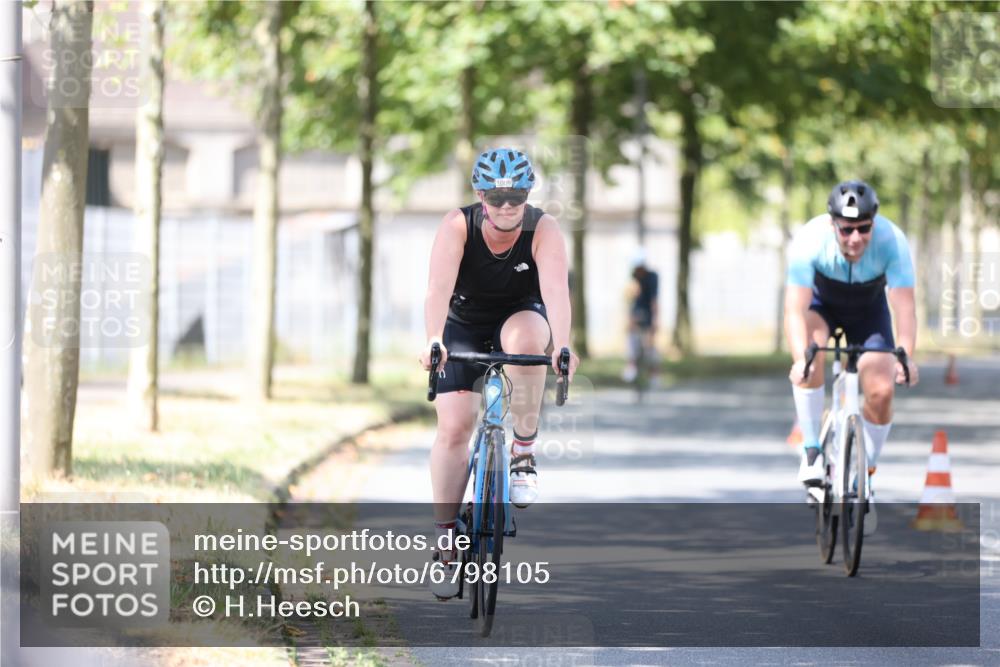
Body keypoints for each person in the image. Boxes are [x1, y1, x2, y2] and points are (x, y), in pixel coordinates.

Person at [419, 148, 579, 599]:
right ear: (479, 195)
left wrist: (563, 345)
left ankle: (523, 451)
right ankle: (446, 541)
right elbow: (437, 288)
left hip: (519, 315)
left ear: (528, 195)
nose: (507, 207)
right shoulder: (458, 226)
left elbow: (556, 291)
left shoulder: (543, 229)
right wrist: (434, 339)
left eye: (517, 198)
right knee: (454, 428)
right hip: (463, 323)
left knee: (529, 341)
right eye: (496, 198)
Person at [784, 180, 920, 532]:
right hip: (821, 306)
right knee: (811, 355)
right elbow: (795, 309)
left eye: (863, 228)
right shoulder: (810, 239)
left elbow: (904, 306)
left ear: (874, 223)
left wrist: (906, 355)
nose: (855, 238)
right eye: (846, 229)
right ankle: (812, 451)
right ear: (833, 225)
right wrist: (800, 359)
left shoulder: (892, 241)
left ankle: (865, 475)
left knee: (882, 390)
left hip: (869, 311)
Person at [622, 249, 660, 387]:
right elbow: (630, 300)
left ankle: (654, 373)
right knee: (631, 338)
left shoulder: (652, 277)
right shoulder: (633, 278)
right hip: (637, 312)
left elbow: (654, 301)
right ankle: (631, 364)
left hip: (648, 313)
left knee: (650, 345)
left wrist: (655, 321)